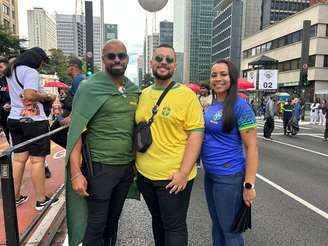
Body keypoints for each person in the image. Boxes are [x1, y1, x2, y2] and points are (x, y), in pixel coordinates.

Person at [65, 40, 140, 246]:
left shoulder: (134, 89)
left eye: (121, 56)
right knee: (96, 224)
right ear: (103, 59)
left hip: (125, 168)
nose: (117, 60)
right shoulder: (89, 87)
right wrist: (76, 173)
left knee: (113, 222)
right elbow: (76, 132)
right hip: (99, 168)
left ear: (127, 59)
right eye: (111, 56)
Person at [135, 44, 204, 246]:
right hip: (145, 175)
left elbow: (196, 135)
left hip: (173, 177)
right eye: (159, 58)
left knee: (174, 226)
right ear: (151, 63)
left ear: (174, 66)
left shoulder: (187, 96)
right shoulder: (144, 94)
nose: (163, 62)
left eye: (169, 60)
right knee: (158, 221)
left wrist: (183, 172)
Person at [201, 59, 258, 246]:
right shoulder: (212, 105)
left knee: (230, 230)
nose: (218, 79)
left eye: (223, 74)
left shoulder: (241, 107)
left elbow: (252, 148)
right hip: (210, 174)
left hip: (228, 175)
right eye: (214, 75)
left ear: (232, 78)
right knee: (217, 225)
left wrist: (249, 185)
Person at [5, 47, 57, 210]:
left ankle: (14, 197)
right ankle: (41, 200)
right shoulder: (31, 72)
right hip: (33, 120)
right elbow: (29, 94)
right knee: (37, 161)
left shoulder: (11, 71)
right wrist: (47, 96)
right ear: (35, 59)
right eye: (42, 62)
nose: (42, 66)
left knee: (19, 159)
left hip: (14, 118)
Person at [0, 57, 11, 143]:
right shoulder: (1, 80)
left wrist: (9, 103)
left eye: (1, 67)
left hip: (10, 114)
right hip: (2, 115)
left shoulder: (11, 80)